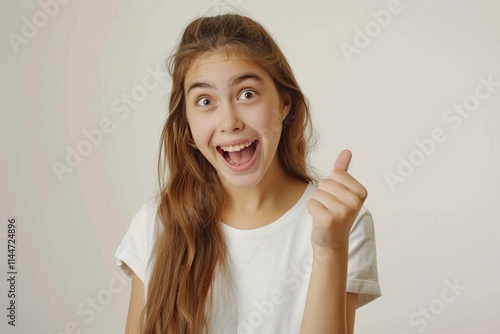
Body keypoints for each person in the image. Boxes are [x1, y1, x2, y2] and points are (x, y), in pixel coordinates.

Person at [114, 13, 381, 334]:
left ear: (285, 104)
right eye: (204, 100)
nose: (229, 121)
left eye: (247, 94)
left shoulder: (340, 222)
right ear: (187, 123)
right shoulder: (155, 223)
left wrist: (329, 249)